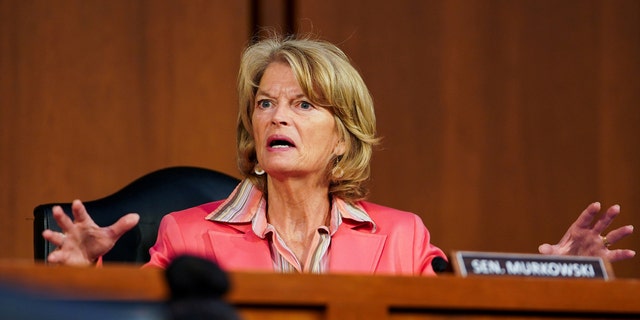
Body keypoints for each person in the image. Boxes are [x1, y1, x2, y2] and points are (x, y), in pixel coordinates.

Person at [42, 35, 636, 275]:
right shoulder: (184, 235)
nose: (277, 116)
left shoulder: (403, 239)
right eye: (266, 104)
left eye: (303, 105)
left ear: (345, 133)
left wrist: (558, 275)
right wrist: (82, 279)